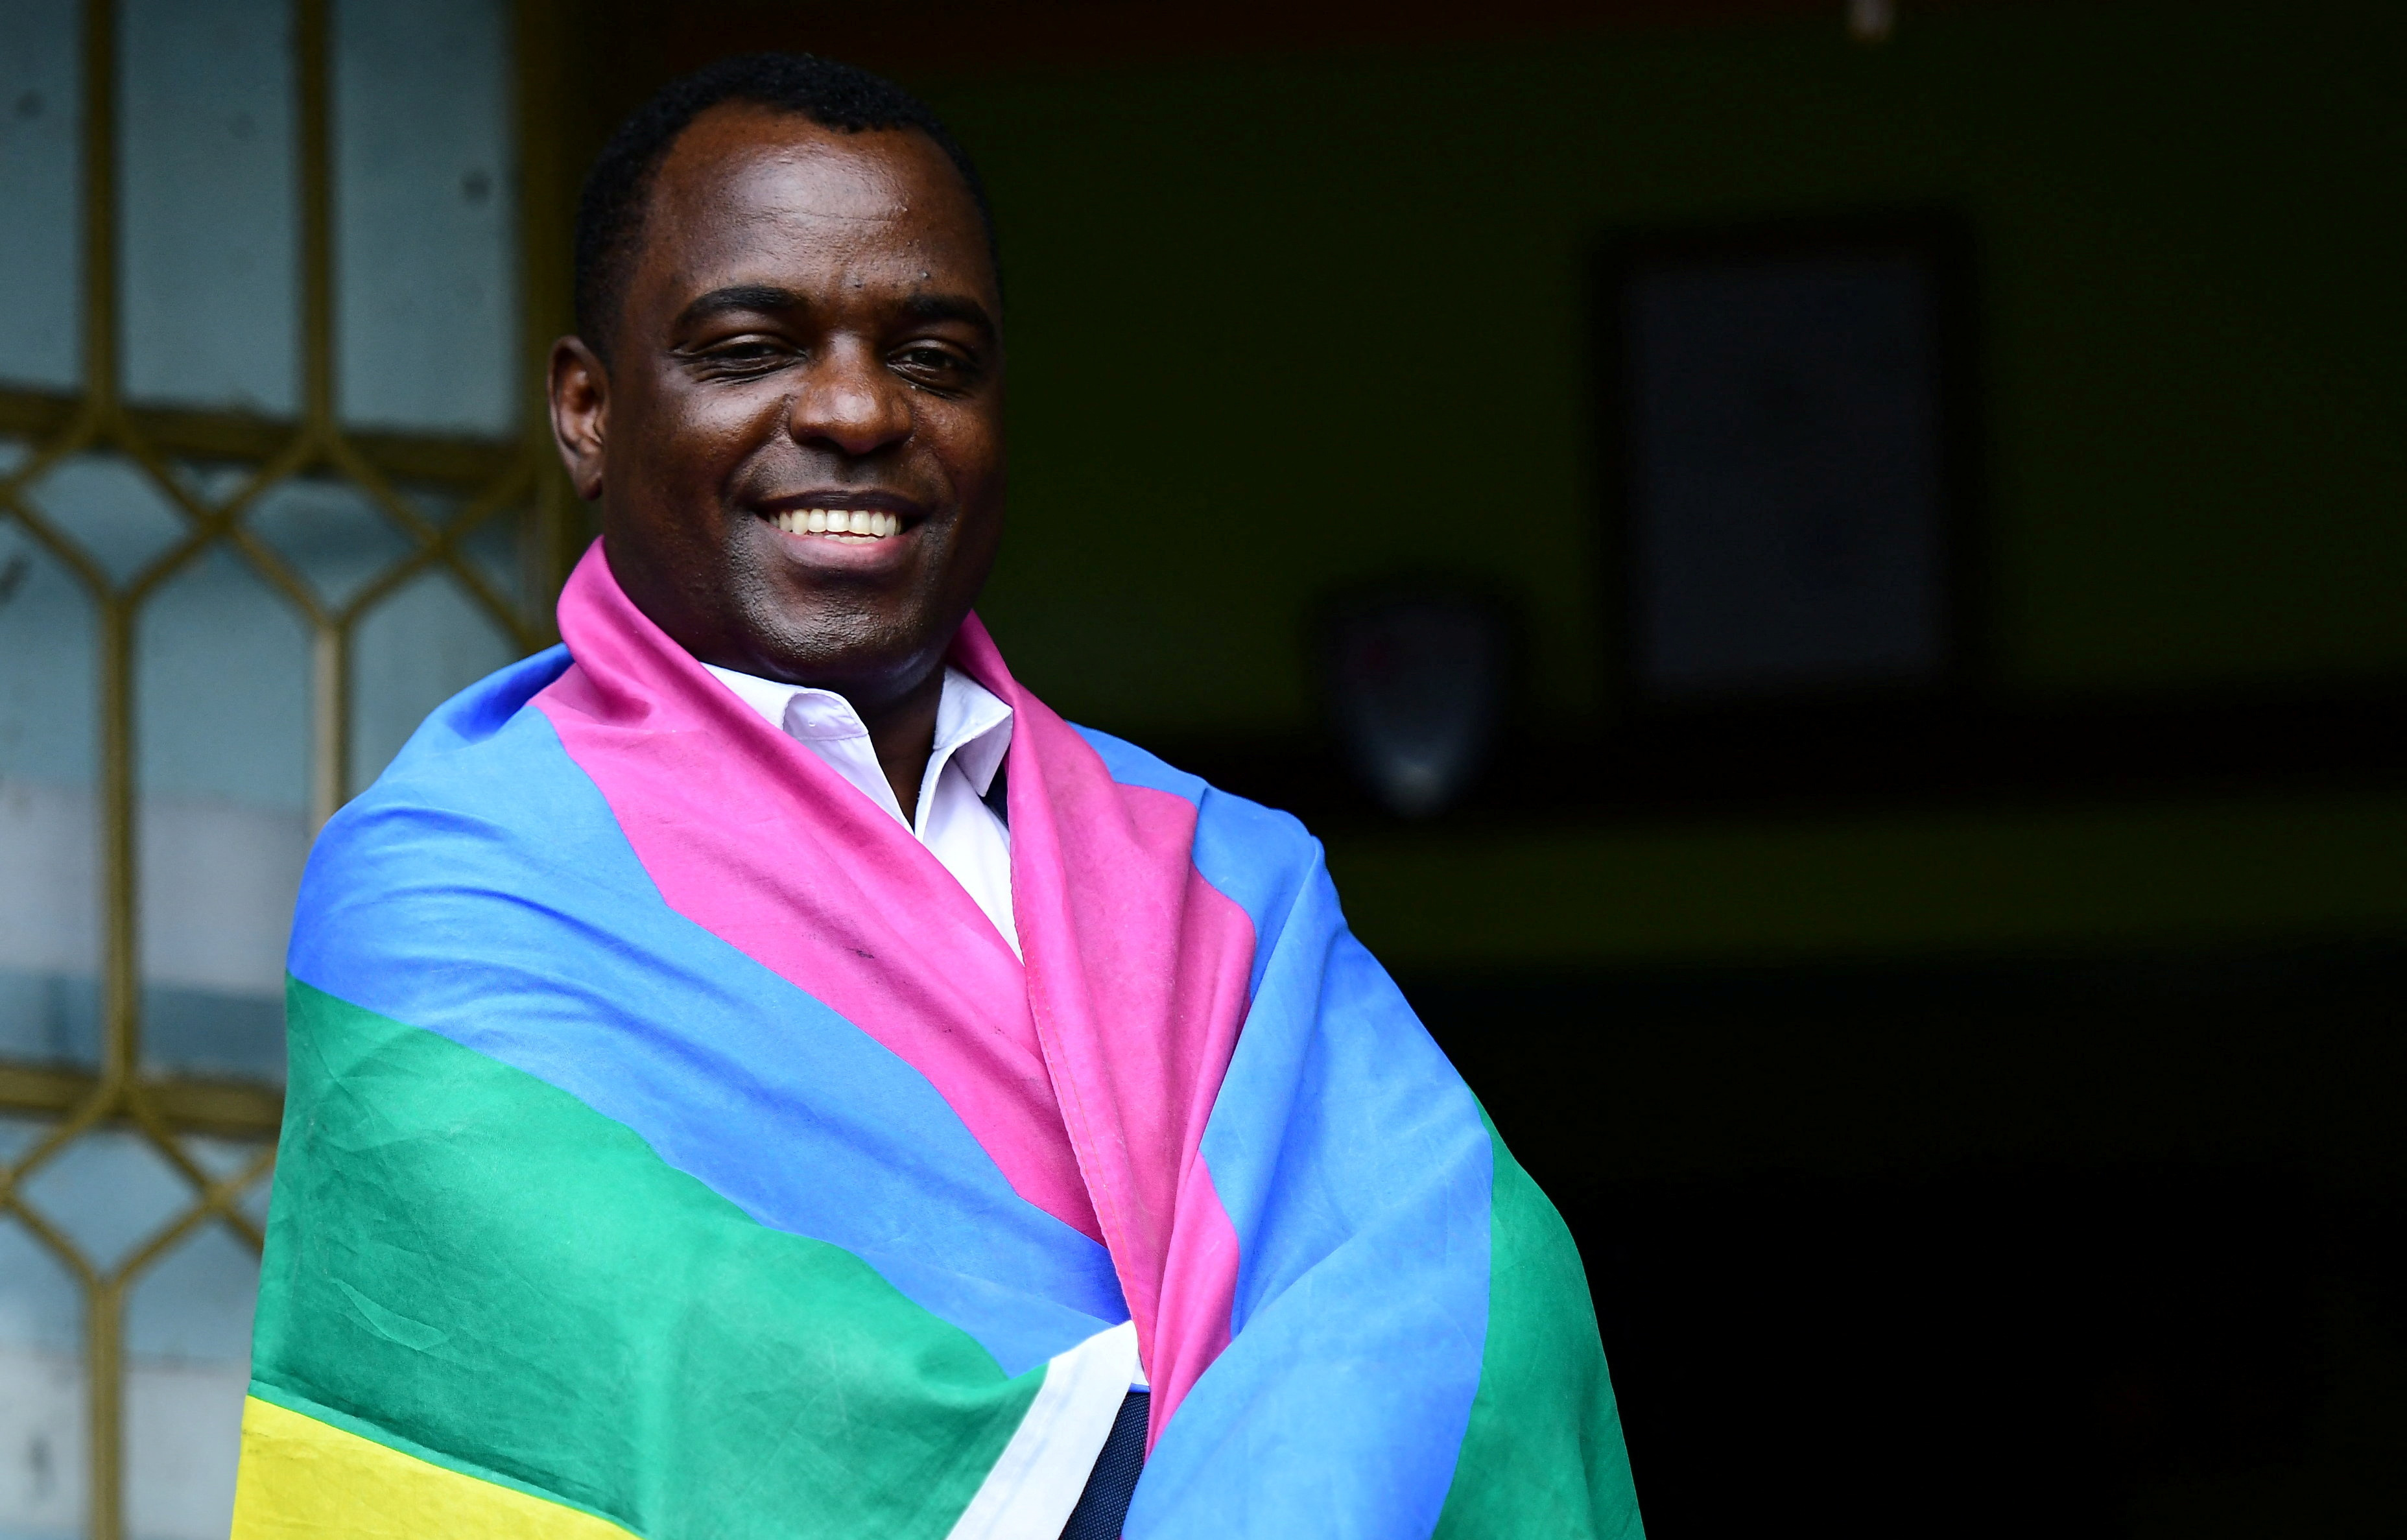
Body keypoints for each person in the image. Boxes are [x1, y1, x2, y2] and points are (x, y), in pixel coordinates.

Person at [230, 53, 1641, 1540]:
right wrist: (1177, 1437)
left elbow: (1457, 1290)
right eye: (750, 345)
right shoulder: (455, 885)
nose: (854, 410)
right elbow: (690, 1367)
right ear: (587, 412)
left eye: (933, 358)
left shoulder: (1225, 880)